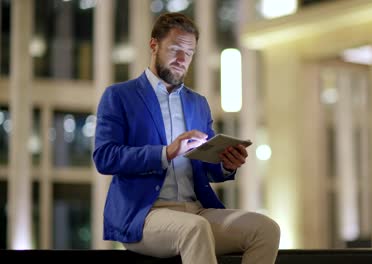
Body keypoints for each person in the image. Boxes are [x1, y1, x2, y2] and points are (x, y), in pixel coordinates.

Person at [93, 12, 280, 264]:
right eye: (175, 49)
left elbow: (207, 165)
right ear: (153, 45)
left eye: (189, 53)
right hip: (144, 215)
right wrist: (166, 152)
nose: (182, 59)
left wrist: (226, 163)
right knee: (194, 229)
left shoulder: (197, 103)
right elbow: (105, 158)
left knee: (265, 228)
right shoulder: (119, 96)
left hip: (197, 210)